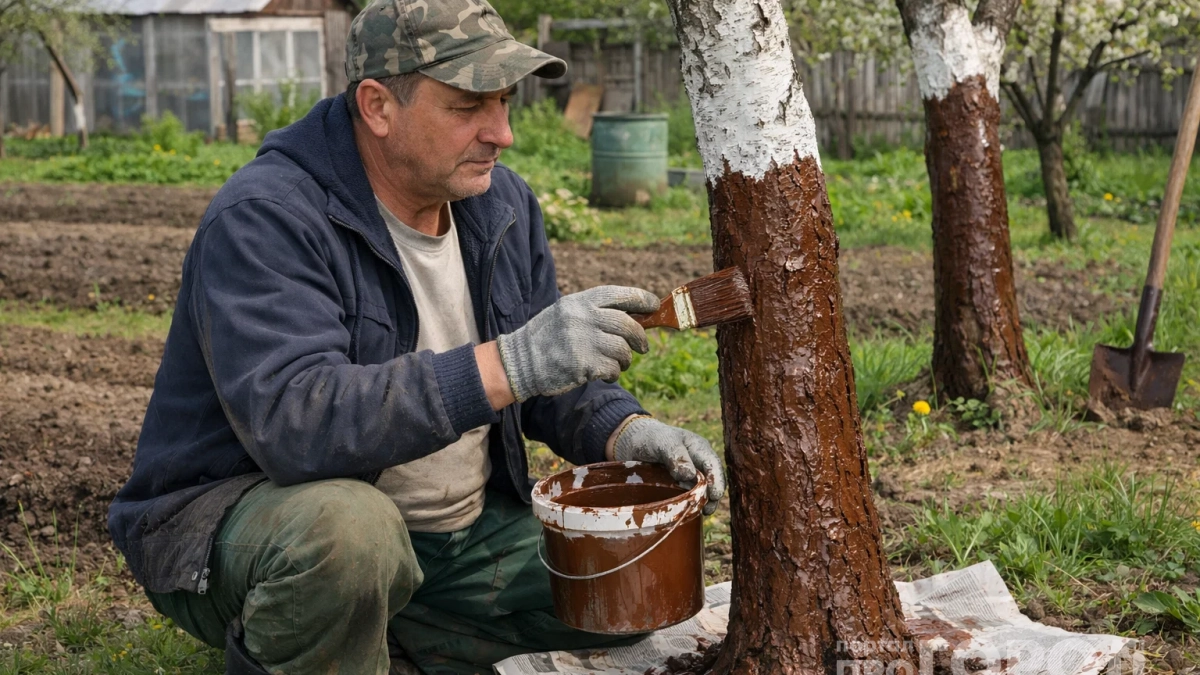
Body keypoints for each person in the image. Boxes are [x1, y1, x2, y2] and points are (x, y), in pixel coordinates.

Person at [106, 1, 726, 673]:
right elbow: (298, 423)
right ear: (377, 106)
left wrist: (625, 429)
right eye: (468, 107)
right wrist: (510, 362)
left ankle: (397, 637)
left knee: (630, 591)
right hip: (246, 526)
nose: (502, 133)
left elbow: (548, 381)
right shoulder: (269, 217)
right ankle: (328, 625)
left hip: (454, 535)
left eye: (505, 101)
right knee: (349, 537)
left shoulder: (500, 204)